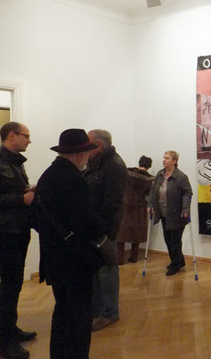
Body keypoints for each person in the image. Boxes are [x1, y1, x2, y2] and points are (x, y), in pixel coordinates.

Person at [36, 128, 103, 359]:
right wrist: (101, 225)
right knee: (79, 318)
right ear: (79, 154)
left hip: (54, 257)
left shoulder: (47, 176)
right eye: (86, 153)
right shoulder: (72, 179)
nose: (87, 158)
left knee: (62, 312)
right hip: (75, 260)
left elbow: (36, 217)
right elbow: (84, 223)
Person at [83, 129, 127, 332]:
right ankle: (97, 310)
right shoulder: (98, 163)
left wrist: (96, 224)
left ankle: (109, 313)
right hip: (95, 226)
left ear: (98, 146)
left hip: (104, 228)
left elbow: (112, 202)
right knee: (97, 269)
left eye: (87, 143)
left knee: (107, 269)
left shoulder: (113, 165)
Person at [0, 122, 36, 359]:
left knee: (13, 284)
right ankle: (5, 342)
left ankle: (9, 328)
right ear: (11, 135)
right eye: (26, 136)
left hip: (18, 229)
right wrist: (21, 199)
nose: (29, 140)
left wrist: (26, 190)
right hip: (5, 232)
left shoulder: (16, 162)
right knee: (9, 285)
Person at [149, 151, 193, 276]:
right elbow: (153, 191)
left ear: (174, 161)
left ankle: (175, 265)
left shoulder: (181, 177)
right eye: (164, 158)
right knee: (168, 239)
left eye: (167, 158)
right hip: (164, 213)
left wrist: (185, 209)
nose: (164, 160)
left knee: (175, 241)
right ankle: (179, 260)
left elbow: (187, 193)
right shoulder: (160, 174)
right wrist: (150, 205)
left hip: (177, 214)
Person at [117, 155, 154, 265]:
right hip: (139, 207)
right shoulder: (148, 179)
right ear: (149, 166)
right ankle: (134, 256)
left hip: (125, 205)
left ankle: (119, 258)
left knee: (121, 232)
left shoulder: (127, 173)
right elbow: (149, 192)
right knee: (136, 232)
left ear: (139, 163)